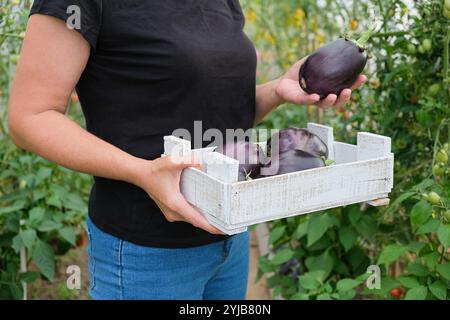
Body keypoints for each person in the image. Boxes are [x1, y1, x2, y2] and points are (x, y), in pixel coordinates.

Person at [7, 0, 365, 300]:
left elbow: (216, 111)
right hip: (147, 254)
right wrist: (141, 171)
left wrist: (277, 90)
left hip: (229, 237)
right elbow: (30, 117)